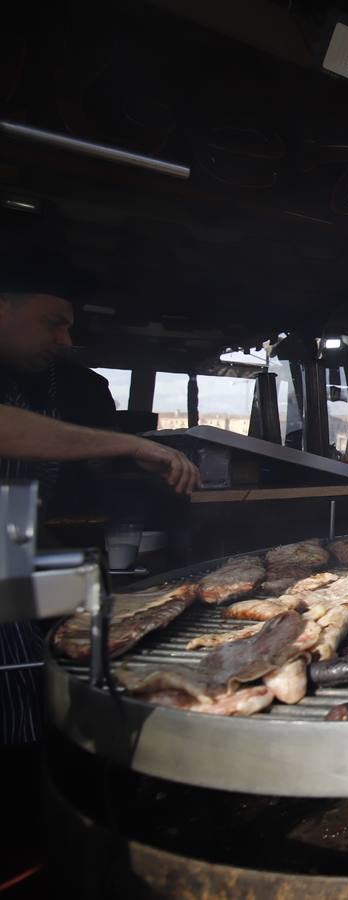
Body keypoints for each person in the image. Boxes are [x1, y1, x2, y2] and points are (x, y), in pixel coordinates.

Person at [1, 281, 200, 882]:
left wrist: (107, 590)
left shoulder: (30, 382)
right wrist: (130, 444)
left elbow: (16, 512)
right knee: (17, 718)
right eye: (52, 322)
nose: (66, 340)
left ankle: (47, 843)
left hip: (11, 556)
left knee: (42, 700)